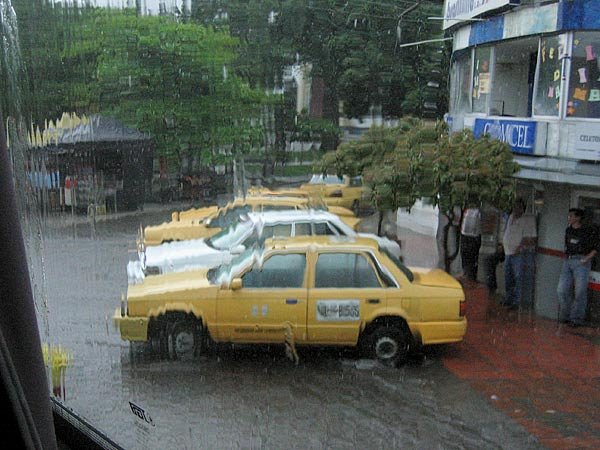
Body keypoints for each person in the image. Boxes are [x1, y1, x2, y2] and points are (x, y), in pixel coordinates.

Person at [556, 208, 599, 327]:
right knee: (561, 290)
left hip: (581, 261)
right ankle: (566, 314)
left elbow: (595, 248)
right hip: (568, 259)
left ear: (578, 218)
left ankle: (576, 319)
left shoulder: (586, 232)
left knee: (580, 291)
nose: (569, 218)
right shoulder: (568, 230)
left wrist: (586, 259)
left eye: (571, 216)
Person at [502, 198, 537, 310]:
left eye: (518, 207)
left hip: (519, 253)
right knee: (508, 277)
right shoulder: (511, 217)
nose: (515, 209)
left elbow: (531, 238)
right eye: (514, 206)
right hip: (507, 251)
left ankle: (517, 302)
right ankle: (509, 298)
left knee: (518, 277)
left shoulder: (528, 219)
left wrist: (520, 247)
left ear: (523, 208)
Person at [460, 206, 482, 281]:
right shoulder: (466, 210)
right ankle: (466, 272)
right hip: (465, 235)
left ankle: (470, 276)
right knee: (465, 255)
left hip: (474, 237)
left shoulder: (478, 212)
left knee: (471, 258)